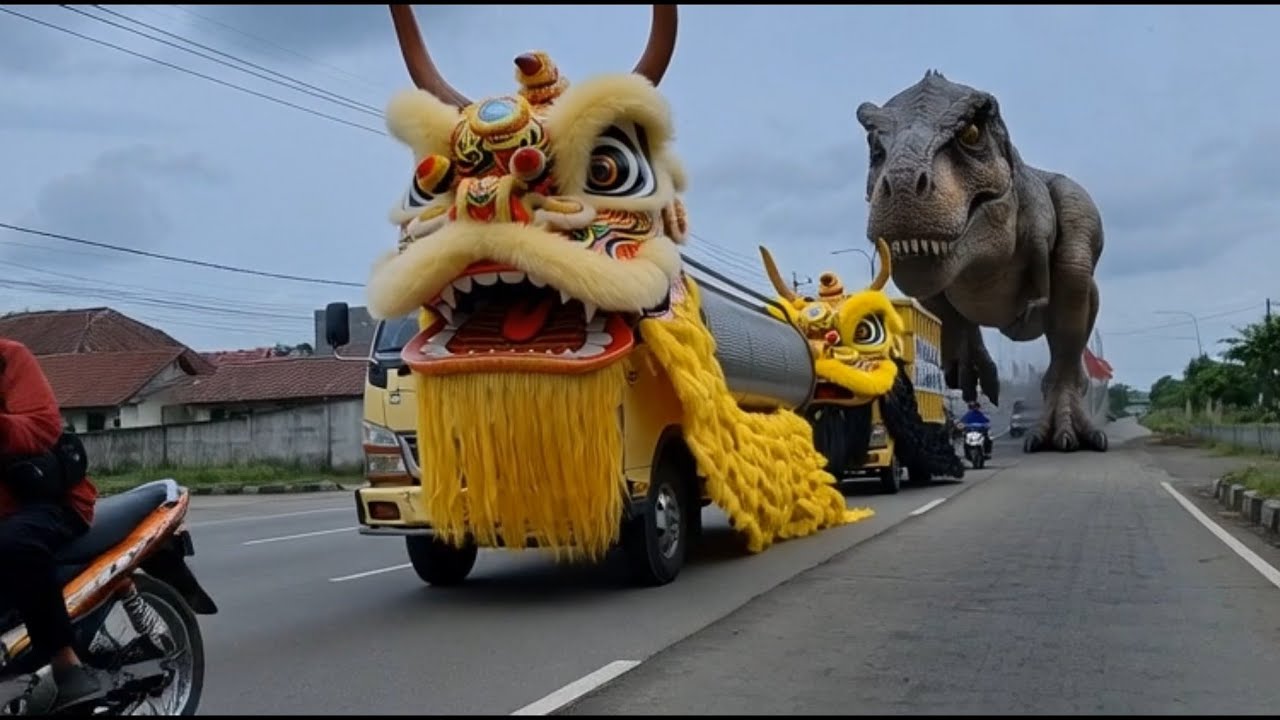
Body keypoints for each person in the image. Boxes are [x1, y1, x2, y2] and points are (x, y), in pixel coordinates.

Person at [0, 337, 103, 708]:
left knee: (12, 543)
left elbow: (43, 427)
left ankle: (65, 662)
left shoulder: (8, 357)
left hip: (46, 499)